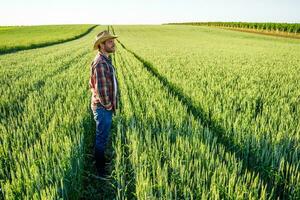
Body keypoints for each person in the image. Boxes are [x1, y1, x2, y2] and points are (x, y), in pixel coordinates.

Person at [89, 30, 119, 176]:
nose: (113, 43)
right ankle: (100, 169)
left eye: (113, 41)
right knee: (101, 137)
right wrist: (108, 106)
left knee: (103, 135)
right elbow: (101, 91)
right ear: (101, 45)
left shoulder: (105, 59)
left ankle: (101, 160)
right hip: (102, 107)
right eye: (110, 41)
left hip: (104, 107)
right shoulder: (100, 63)